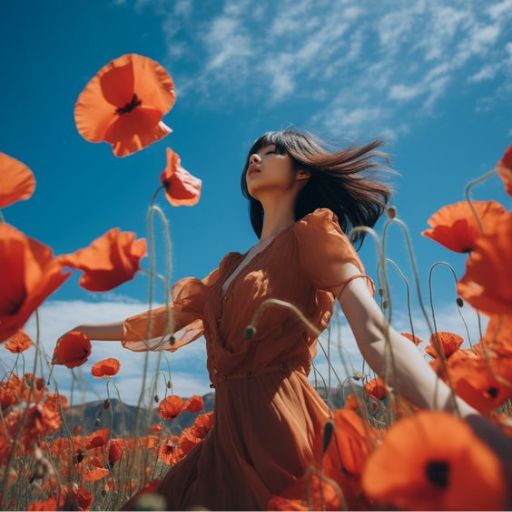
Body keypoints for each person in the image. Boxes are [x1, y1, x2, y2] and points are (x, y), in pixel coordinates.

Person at [72, 128, 512, 510]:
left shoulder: (313, 234)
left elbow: (376, 336)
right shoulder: (229, 268)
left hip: (284, 431)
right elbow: (165, 320)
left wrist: (464, 419)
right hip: (223, 443)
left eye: (272, 152)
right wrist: (83, 330)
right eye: (251, 155)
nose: (255, 159)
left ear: (302, 172)